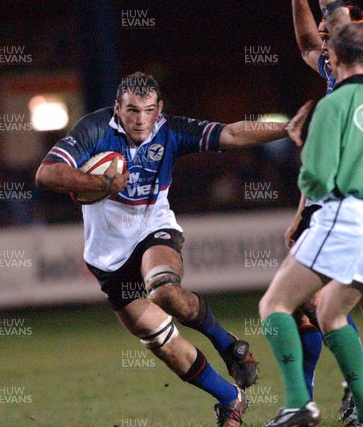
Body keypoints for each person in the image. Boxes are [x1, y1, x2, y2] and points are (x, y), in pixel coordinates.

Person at [36, 72, 310, 427]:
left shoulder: (172, 130)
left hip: (155, 231)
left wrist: (286, 128)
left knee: (164, 290)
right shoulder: (95, 129)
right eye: (132, 110)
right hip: (107, 259)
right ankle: (231, 399)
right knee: (162, 344)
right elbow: (46, 173)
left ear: (158, 110)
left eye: (148, 110)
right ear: (117, 107)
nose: (139, 119)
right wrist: (99, 182)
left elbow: (232, 132)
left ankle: (227, 345)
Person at [260, 23, 363, 427]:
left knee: (275, 304)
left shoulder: (334, 105)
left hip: (349, 216)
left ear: (333, 60)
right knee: (331, 313)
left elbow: (316, 180)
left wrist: (302, 146)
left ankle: (298, 403)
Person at [288, 0, 363, 413]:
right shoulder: (341, 68)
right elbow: (305, 45)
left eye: (327, 21)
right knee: (312, 302)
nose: (320, 30)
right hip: (341, 197)